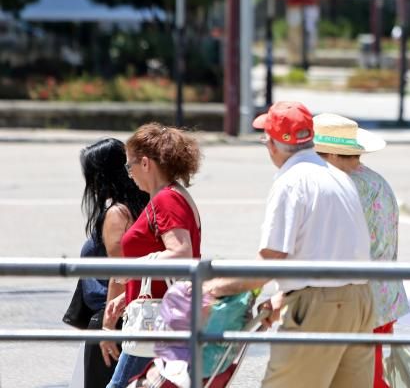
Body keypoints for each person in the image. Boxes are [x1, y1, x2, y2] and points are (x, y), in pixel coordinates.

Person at [206, 101, 374, 388]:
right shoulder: (337, 176)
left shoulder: (291, 182)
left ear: (272, 144)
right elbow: (327, 248)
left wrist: (213, 287)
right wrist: (285, 295)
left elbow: (270, 261)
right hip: (358, 300)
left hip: (318, 305)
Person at [313, 113, 410, 388]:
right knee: (370, 376)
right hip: (380, 295)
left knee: (361, 379)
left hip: (358, 299)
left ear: (329, 154)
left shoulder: (344, 185)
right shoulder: (372, 180)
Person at [102, 123, 203, 388]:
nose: (129, 174)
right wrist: (130, 292)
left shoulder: (166, 200)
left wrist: (132, 272)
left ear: (145, 163)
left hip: (156, 321)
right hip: (161, 315)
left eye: (129, 165)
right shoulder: (172, 195)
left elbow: (181, 255)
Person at [76, 138, 149, 388]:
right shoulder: (145, 203)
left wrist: (107, 328)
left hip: (115, 315)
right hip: (133, 312)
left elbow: (122, 273)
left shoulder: (118, 214)